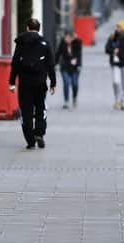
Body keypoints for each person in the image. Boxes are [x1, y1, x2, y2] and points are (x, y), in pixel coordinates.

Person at [9, 18, 56, 150]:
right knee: (41, 108)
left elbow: (15, 63)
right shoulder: (45, 44)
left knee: (26, 111)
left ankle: (30, 140)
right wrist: (53, 82)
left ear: (27, 28)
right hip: (40, 83)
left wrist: (12, 82)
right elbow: (50, 65)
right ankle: (39, 133)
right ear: (39, 29)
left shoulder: (21, 43)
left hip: (25, 84)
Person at [55, 30, 82, 109]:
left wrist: (78, 64)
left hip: (75, 68)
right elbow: (58, 53)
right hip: (65, 67)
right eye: (66, 37)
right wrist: (55, 64)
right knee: (66, 83)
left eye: (69, 38)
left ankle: (74, 98)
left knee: (75, 84)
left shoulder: (76, 43)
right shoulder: (62, 44)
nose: (67, 39)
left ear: (72, 37)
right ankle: (66, 101)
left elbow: (79, 50)